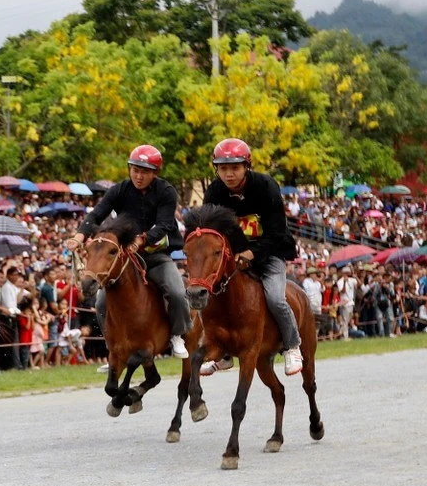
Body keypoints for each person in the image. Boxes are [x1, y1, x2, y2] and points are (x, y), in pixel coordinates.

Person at [66, 144, 192, 360]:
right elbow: (96, 215)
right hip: (125, 260)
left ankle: (177, 335)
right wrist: (79, 236)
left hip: (157, 256)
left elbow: (164, 224)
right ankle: (114, 348)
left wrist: (141, 240)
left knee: (178, 293)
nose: (138, 176)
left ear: (155, 172)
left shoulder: (167, 192)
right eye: (135, 170)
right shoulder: (119, 190)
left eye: (144, 171)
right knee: (100, 302)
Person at [199, 138, 303, 376]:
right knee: (209, 295)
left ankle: (292, 346)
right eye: (223, 168)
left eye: (235, 168)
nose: (229, 174)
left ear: (247, 166)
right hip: (233, 256)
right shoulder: (214, 191)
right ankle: (221, 354)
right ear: (216, 169)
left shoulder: (266, 186)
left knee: (276, 298)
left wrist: (252, 252)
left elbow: (277, 232)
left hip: (271, 252)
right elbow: (211, 231)